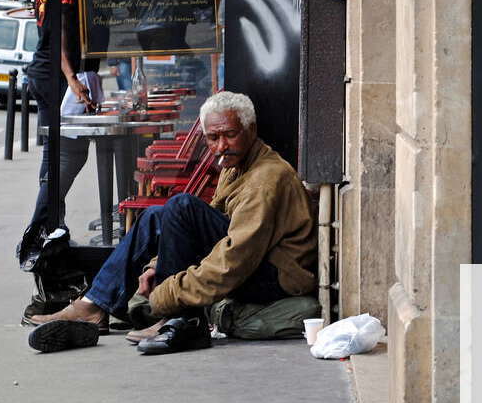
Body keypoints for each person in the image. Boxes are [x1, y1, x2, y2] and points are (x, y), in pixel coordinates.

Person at [27, 92, 318, 354]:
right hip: (255, 262)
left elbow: (235, 259)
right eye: (212, 138)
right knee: (157, 215)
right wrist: (157, 264)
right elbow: (210, 228)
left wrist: (166, 295)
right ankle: (94, 305)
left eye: (229, 135)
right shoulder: (238, 163)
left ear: (251, 130)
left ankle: (173, 317)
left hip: (276, 278)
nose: (220, 146)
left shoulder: (264, 180)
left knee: (181, 206)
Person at [17, 0, 101, 266]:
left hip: (46, 73)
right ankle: (40, 229)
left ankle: (53, 225)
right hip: (56, 76)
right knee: (67, 154)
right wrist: (72, 78)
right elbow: (61, 30)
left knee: (57, 153)